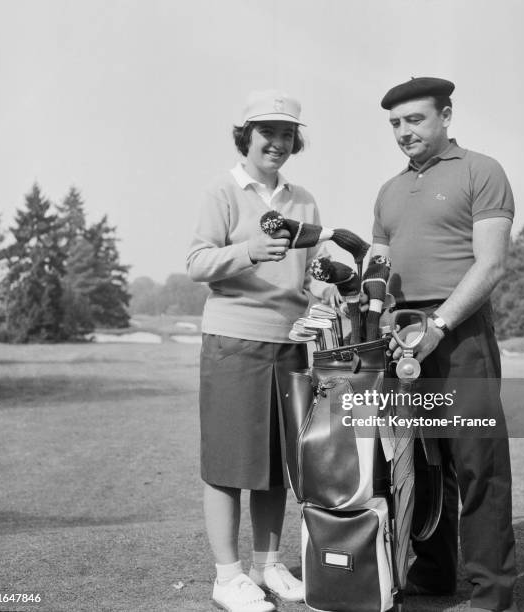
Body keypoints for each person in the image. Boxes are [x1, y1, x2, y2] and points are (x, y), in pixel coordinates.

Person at [371, 77, 518, 612]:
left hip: (458, 332)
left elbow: (492, 262)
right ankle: (434, 577)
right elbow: (379, 268)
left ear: (446, 115)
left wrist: (438, 327)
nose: (403, 132)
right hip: (400, 334)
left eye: (414, 120)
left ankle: (492, 593)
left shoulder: (482, 170)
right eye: (394, 124)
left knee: (477, 462)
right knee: (419, 462)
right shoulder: (388, 190)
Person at [186, 90, 320, 612]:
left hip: (288, 345)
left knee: (276, 464)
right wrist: (247, 252)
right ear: (246, 137)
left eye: (287, 134)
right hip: (233, 341)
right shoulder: (222, 190)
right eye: (268, 133)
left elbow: (307, 276)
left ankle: (269, 566)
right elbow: (197, 261)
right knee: (227, 464)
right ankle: (228, 577)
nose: (278, 143)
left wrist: (323, 288)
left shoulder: (303, 199)